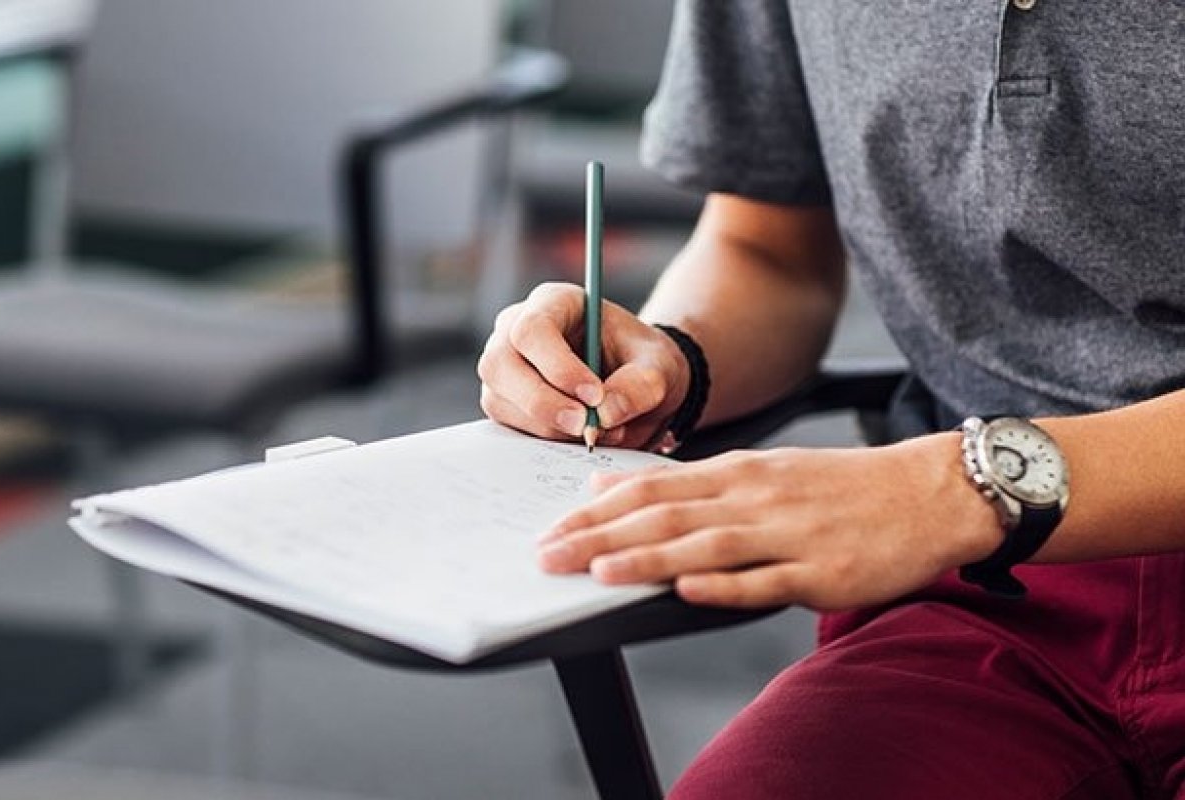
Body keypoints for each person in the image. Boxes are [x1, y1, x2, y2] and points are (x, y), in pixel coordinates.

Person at [477, 2, 1185, 797]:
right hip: (992, 596)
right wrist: (671, 358)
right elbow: (765, 247)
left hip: (963, 506)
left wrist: (957, 487)